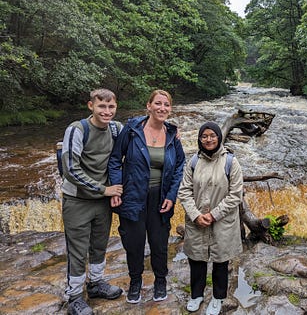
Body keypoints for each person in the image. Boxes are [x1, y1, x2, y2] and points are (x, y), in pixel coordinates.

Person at [108, 89, 185, 304]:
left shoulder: (172, 134)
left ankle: (161, 281)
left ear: (170, 109)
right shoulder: (132, 131)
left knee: (160, 243)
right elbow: (115, 160)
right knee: (134, 242)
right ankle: (135, 282)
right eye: (158, 103)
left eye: (166, 105)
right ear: (148, 106)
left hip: (161, 197)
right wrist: (115, 185)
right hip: (132, 195)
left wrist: (171, 195)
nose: (162, 108)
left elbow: (180, 165)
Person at [60, 88, 124, 315]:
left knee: (99, 245)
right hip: (78, 200)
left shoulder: (117, 129)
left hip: (102, 201)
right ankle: (75, 297)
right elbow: (70, 170)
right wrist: (104, 189)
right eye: (102, 106)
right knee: (77, 251)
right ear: (91, 106)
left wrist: (170, 132)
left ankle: (96, 284)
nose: (107, 112)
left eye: (111, 107)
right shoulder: (77, 130)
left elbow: (137, 141)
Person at [178, 121, 244, 315]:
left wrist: (214, 214)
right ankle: (196, 295)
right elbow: (184, 191)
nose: (208, 139)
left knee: (220, 261)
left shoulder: (231, 162)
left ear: (218, 137)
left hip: (221, 221)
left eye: (212, 136)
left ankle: (218, 297)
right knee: (196, 259)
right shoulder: (193, 162)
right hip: (196, 220)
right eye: (204, 136)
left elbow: (235, 194)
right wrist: (196, 215)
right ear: (200, 139)